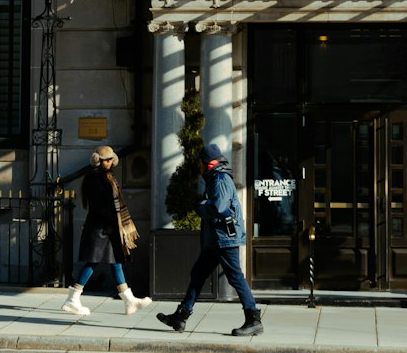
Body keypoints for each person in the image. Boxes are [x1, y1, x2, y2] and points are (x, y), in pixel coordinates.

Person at [157, 141, 263, 337]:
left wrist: (201, 206)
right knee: (198, 274)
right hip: (216, 239)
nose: (198, 167)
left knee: (236, 278)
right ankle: (181, 316)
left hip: (224, 238)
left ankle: (253, 319)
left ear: (208, 163)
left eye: (200, 163)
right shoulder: (215, 178)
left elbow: (219, 208)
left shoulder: (220, 179)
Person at [62, 145, 152, 318]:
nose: (110, 162)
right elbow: (98, 206)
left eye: (111, 159)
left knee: (115, 261)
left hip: (105, 227)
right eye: (106, 160)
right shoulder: (96, 178)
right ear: (98, 160)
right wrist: (113, 223)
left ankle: (129, 300)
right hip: (100, 227)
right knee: (93, 262)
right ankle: (73, 299)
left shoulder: (105, 176)